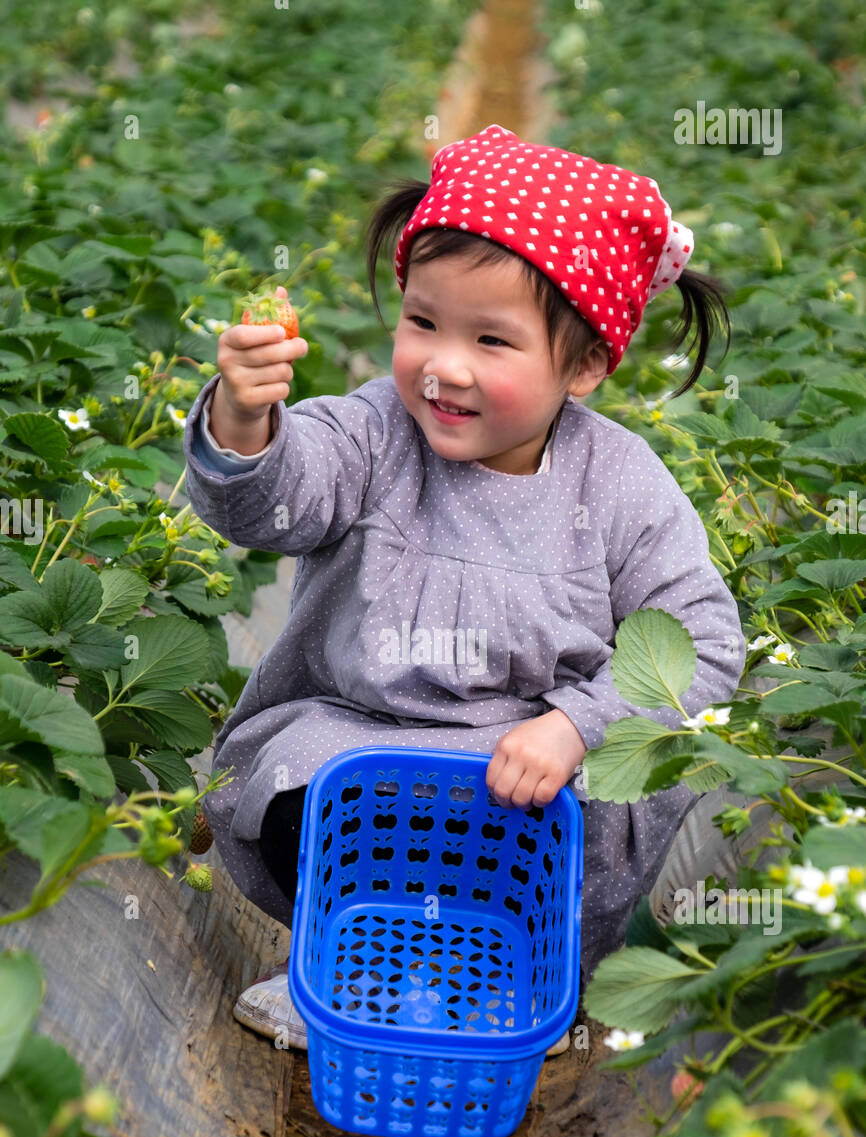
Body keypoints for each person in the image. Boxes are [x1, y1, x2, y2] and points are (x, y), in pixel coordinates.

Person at [182, 124, 746, 1057]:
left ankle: (514, 977)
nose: (444, 367)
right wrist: (245, 420)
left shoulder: (621, 487)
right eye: (423, 323)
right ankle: (344, 967)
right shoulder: (373, 434)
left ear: (586, 364)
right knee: (300, 794)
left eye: (492, 340)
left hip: (524, 776)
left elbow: (704, 642)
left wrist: (575, 726)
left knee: (552, 838)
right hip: (361, 740)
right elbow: (276, 502)